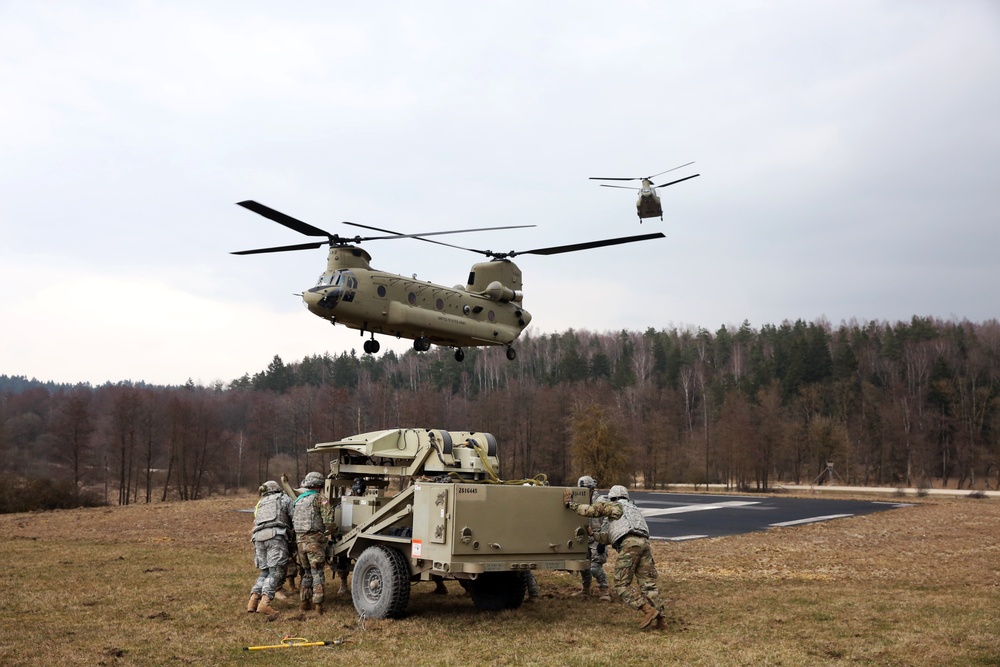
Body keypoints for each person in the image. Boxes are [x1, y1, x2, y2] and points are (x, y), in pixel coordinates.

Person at [564, 484, 666, 629]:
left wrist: (570, 505)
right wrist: (593, 534)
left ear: (612, 498)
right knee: (649, 585)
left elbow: (591, 510)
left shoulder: (616, 506)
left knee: (621, 585)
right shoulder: (634, 510)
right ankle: (662, 620)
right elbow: (611, 537)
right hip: (645, 545)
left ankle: (648, 611)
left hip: (629, 546)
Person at [247, 480, 293, 617]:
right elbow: (294, 516)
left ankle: (253, 601)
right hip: (275, 537)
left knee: (265, 571)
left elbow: (256, 520)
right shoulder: (283, 499)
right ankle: (265, 603)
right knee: (276, 572)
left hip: (258, 538)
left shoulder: (261, 503)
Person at [293, 471, 335, 614]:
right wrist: (332, 531)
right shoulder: (320, 499)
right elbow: (328, 520)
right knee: (317, 572)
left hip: (300, 542)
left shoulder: (298, 500)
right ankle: (318, 606)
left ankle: (304, 603)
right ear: (319, 485)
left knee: (306, 573)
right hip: (314, 541)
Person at [572, 476, 611, 602]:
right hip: (584, 537)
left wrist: (602, 539)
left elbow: (607, 519)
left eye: (585, 489)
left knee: (594, 567)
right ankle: (585, 589)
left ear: (592, 489)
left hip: (597, 537)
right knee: (583, 565)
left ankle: (604, 590)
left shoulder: (600, 501)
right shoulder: (578, 500)